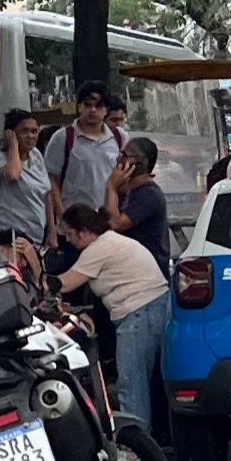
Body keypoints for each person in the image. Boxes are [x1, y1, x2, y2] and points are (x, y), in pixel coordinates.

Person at [49, 206, 169, 441]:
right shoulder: (112, 241)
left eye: (70, 234)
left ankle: (136, 446)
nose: (69, 240)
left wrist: (34, 272)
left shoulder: (97, 249)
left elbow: (63, 284)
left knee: (131, 382)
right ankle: (154, 439)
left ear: (83, 232)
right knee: (147, 379)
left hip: (137, 312)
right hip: (153, 307)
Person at [45, 81, 127, 216]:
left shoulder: (119, 137)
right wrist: (62, 215)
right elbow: (52, 180)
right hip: (75, 221)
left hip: (109, 219)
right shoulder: (63, 137)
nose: (93, 110)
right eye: (88, 105)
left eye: (99, 106)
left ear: (106, 109)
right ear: (79, 107)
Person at [103, 136, 170, 278]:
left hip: (149, 278)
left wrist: (111, 186)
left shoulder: (149, 195)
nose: (118, 160)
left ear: (141, 163)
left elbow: (116, 223)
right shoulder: (128, 191)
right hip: (131, 272)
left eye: (125, 156)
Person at [0, 108, 55, 248]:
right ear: (11, 134)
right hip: (9, 238)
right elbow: (13, 175)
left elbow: (46, 193)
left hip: (35, 237)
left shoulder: (36, 155)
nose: (30, 136)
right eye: (24, 131)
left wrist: (52, 232)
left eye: (34, 131)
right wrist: (13, 146)